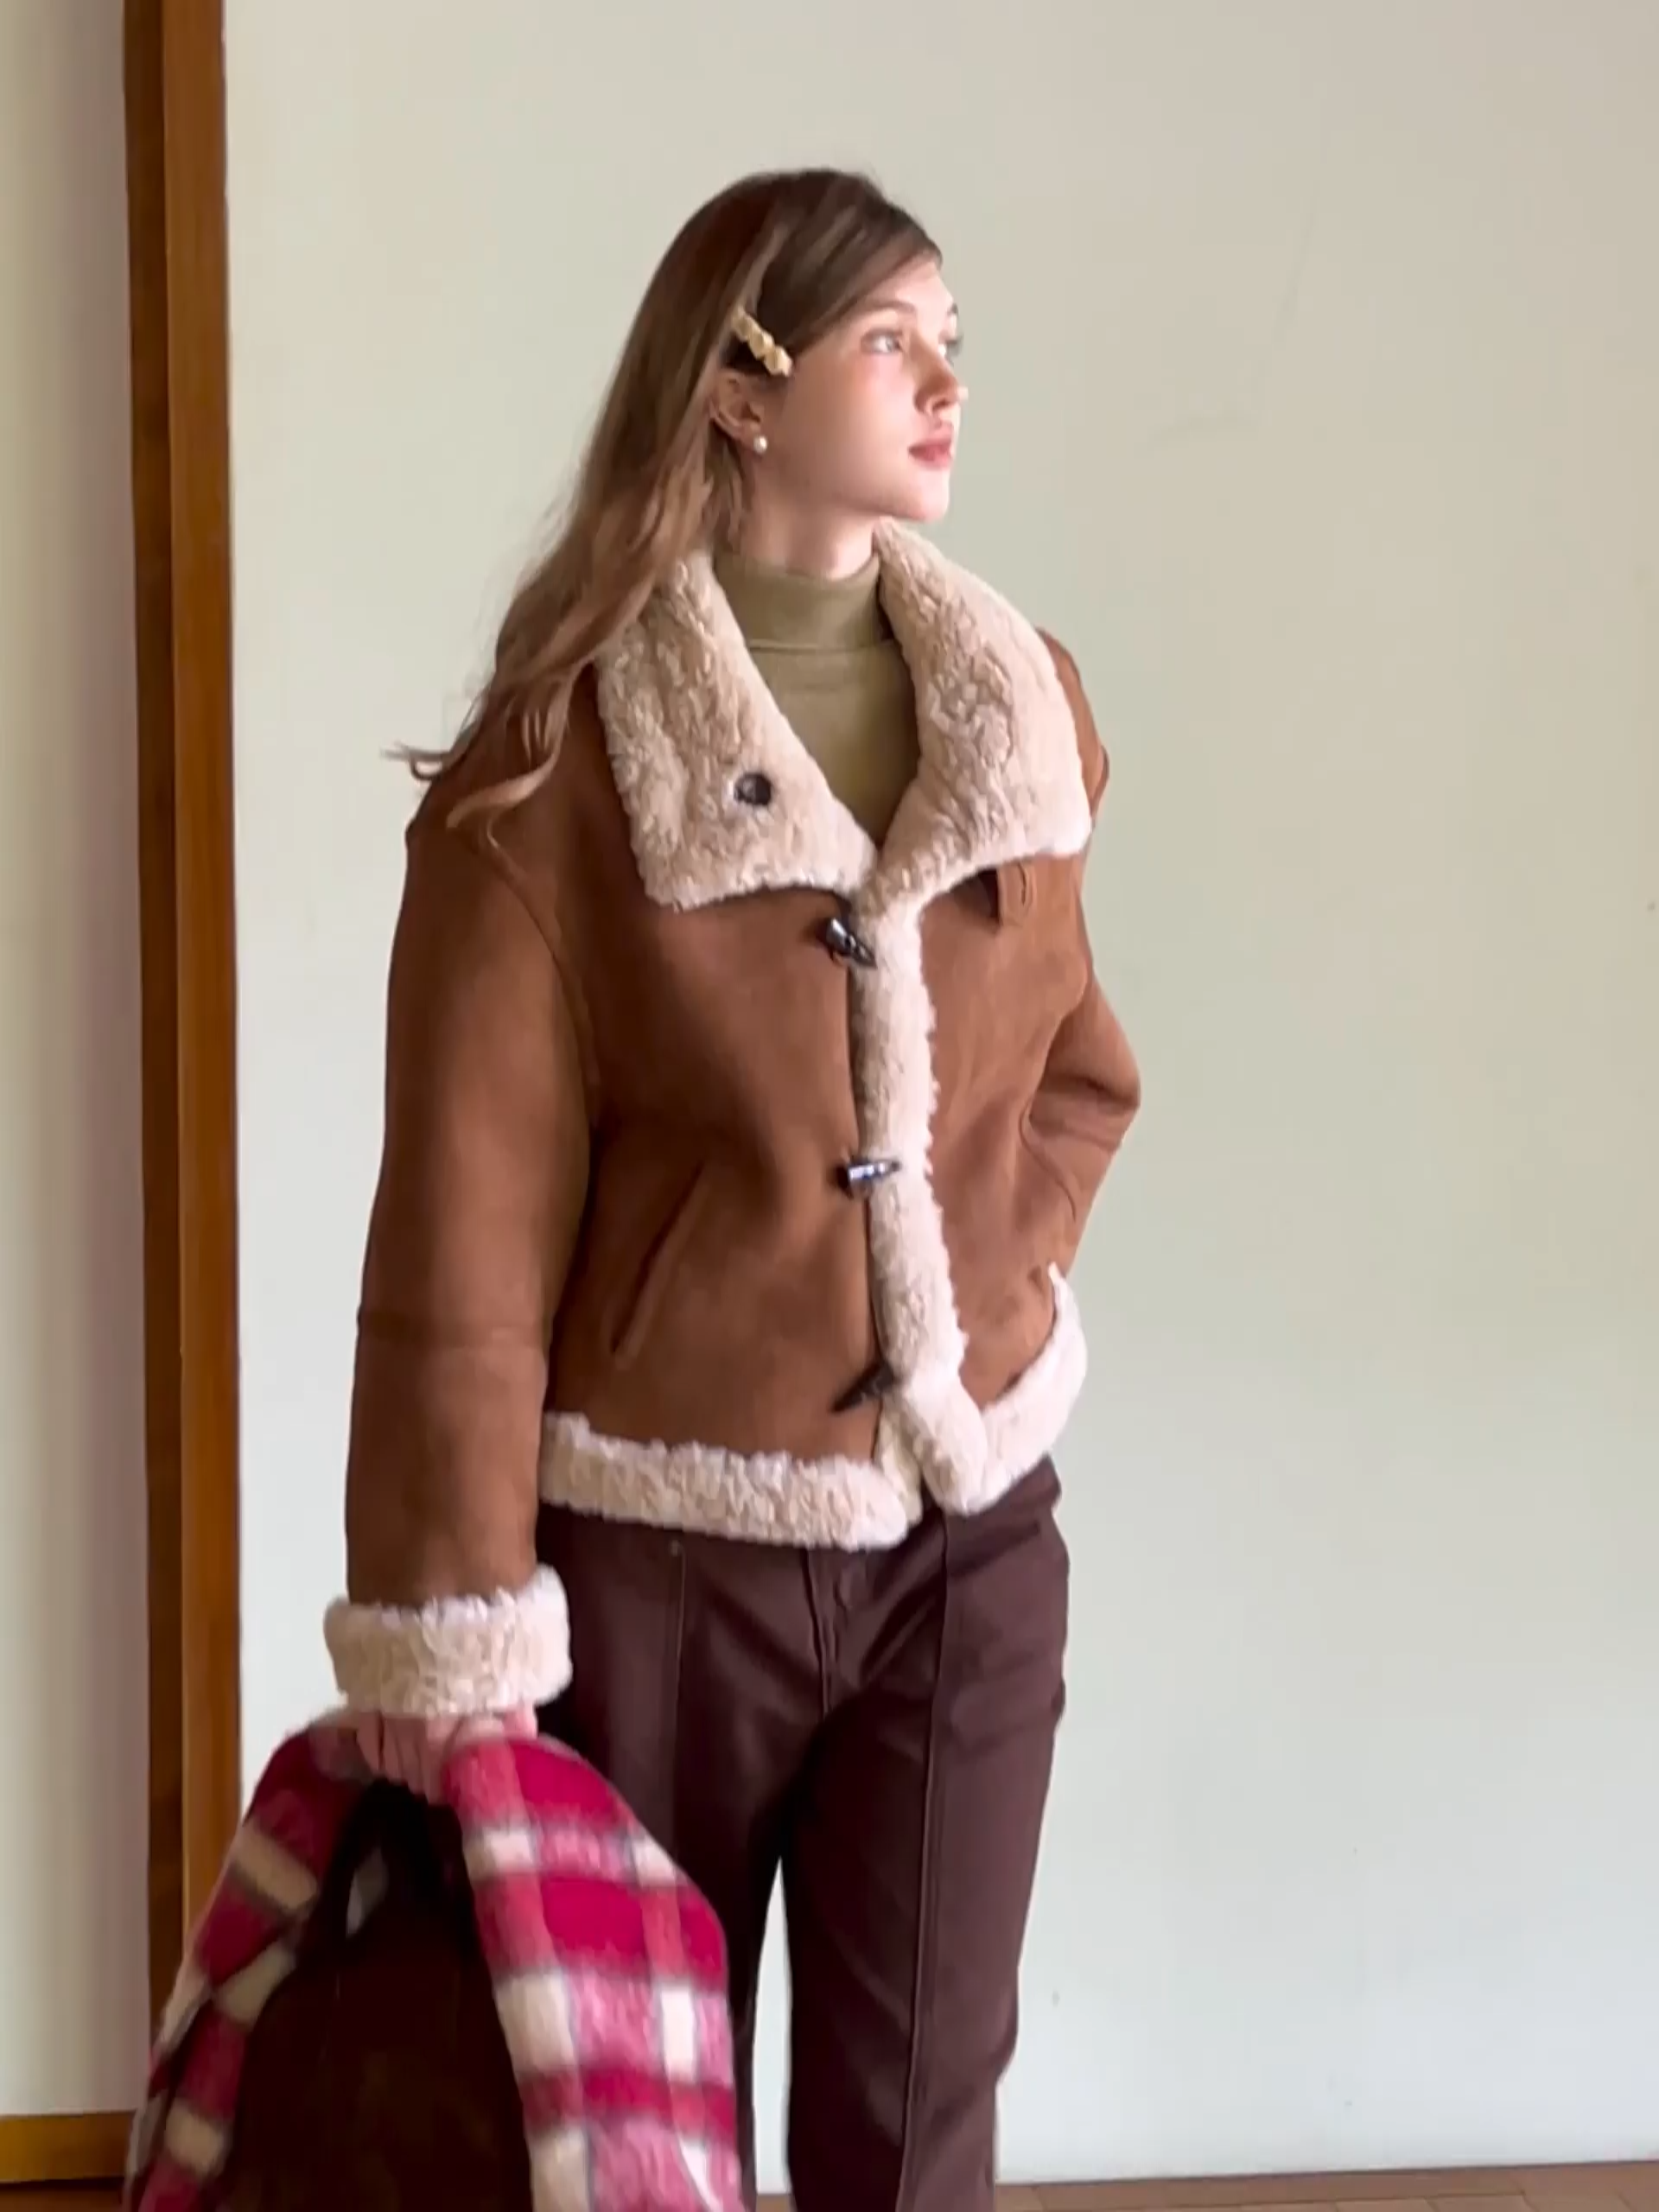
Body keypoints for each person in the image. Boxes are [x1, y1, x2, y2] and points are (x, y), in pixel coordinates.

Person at [325, 165, 1141, 2212]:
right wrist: (444, 1617)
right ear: (742, 389)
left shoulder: (1021, 707)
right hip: (663, 1564)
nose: (946, 382)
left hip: (970, 1541)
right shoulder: (556, 767)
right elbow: (463, 1235)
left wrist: (981, 1310)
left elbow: (1077, 1074)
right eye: (891, 338)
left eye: (955, 341)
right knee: (628, 2135)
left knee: (920, 2124)